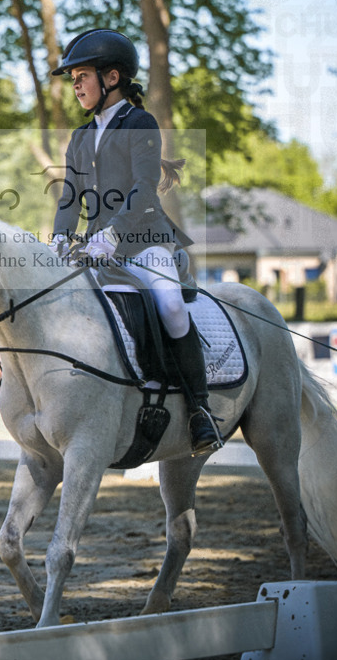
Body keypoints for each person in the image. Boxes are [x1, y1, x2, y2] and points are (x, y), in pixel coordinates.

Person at [50, 27, 222, 456]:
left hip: (145, 240)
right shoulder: (80, 136)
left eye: (81, 76)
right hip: (94, 247)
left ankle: (201, 410)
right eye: (72, 80)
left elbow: (144, 188)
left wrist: (113, 233)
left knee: (169, 304)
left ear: (111, 78)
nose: (75, 86)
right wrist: (58, 236)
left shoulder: (140, 123)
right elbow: (71, 195)